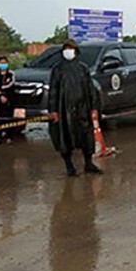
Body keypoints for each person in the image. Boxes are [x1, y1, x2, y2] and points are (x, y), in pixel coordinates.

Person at [49, 40, 103, 176]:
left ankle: (88, 163)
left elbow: (91, 89)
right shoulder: (58, 69)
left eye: (71, 48)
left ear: (76, 50)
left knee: (87, 136)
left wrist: (94, 107)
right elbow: (53, 91)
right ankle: (69, 166)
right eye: (66, 48)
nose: (68, 51)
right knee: (65, 137)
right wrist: (53, 110)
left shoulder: (83, 68)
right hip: (64, 108)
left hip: (83, 108)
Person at [0, 56, 16, 143]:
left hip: (9, 99)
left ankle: (9, 136)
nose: (3, 65)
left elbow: (10, 84)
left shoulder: (11, 74)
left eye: (4, 63)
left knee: (9, 117)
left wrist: (2, 90)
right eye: (1, 63)